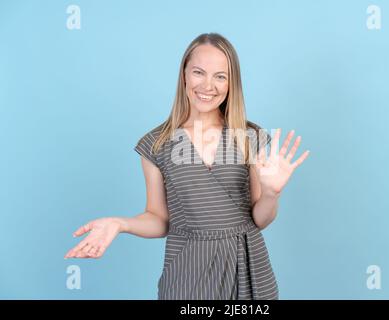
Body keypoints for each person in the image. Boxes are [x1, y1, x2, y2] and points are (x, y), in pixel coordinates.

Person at [64, 32, 310, 300]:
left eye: (220, 76)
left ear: (232, 83)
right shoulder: (155, 145)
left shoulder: (248, 137)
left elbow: (259, 219)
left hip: (248, 269)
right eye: (198, 72)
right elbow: (159, 219)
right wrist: (120, 223)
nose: (208, 85)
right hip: (187, 273)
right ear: (184, 75)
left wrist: (271, 193)